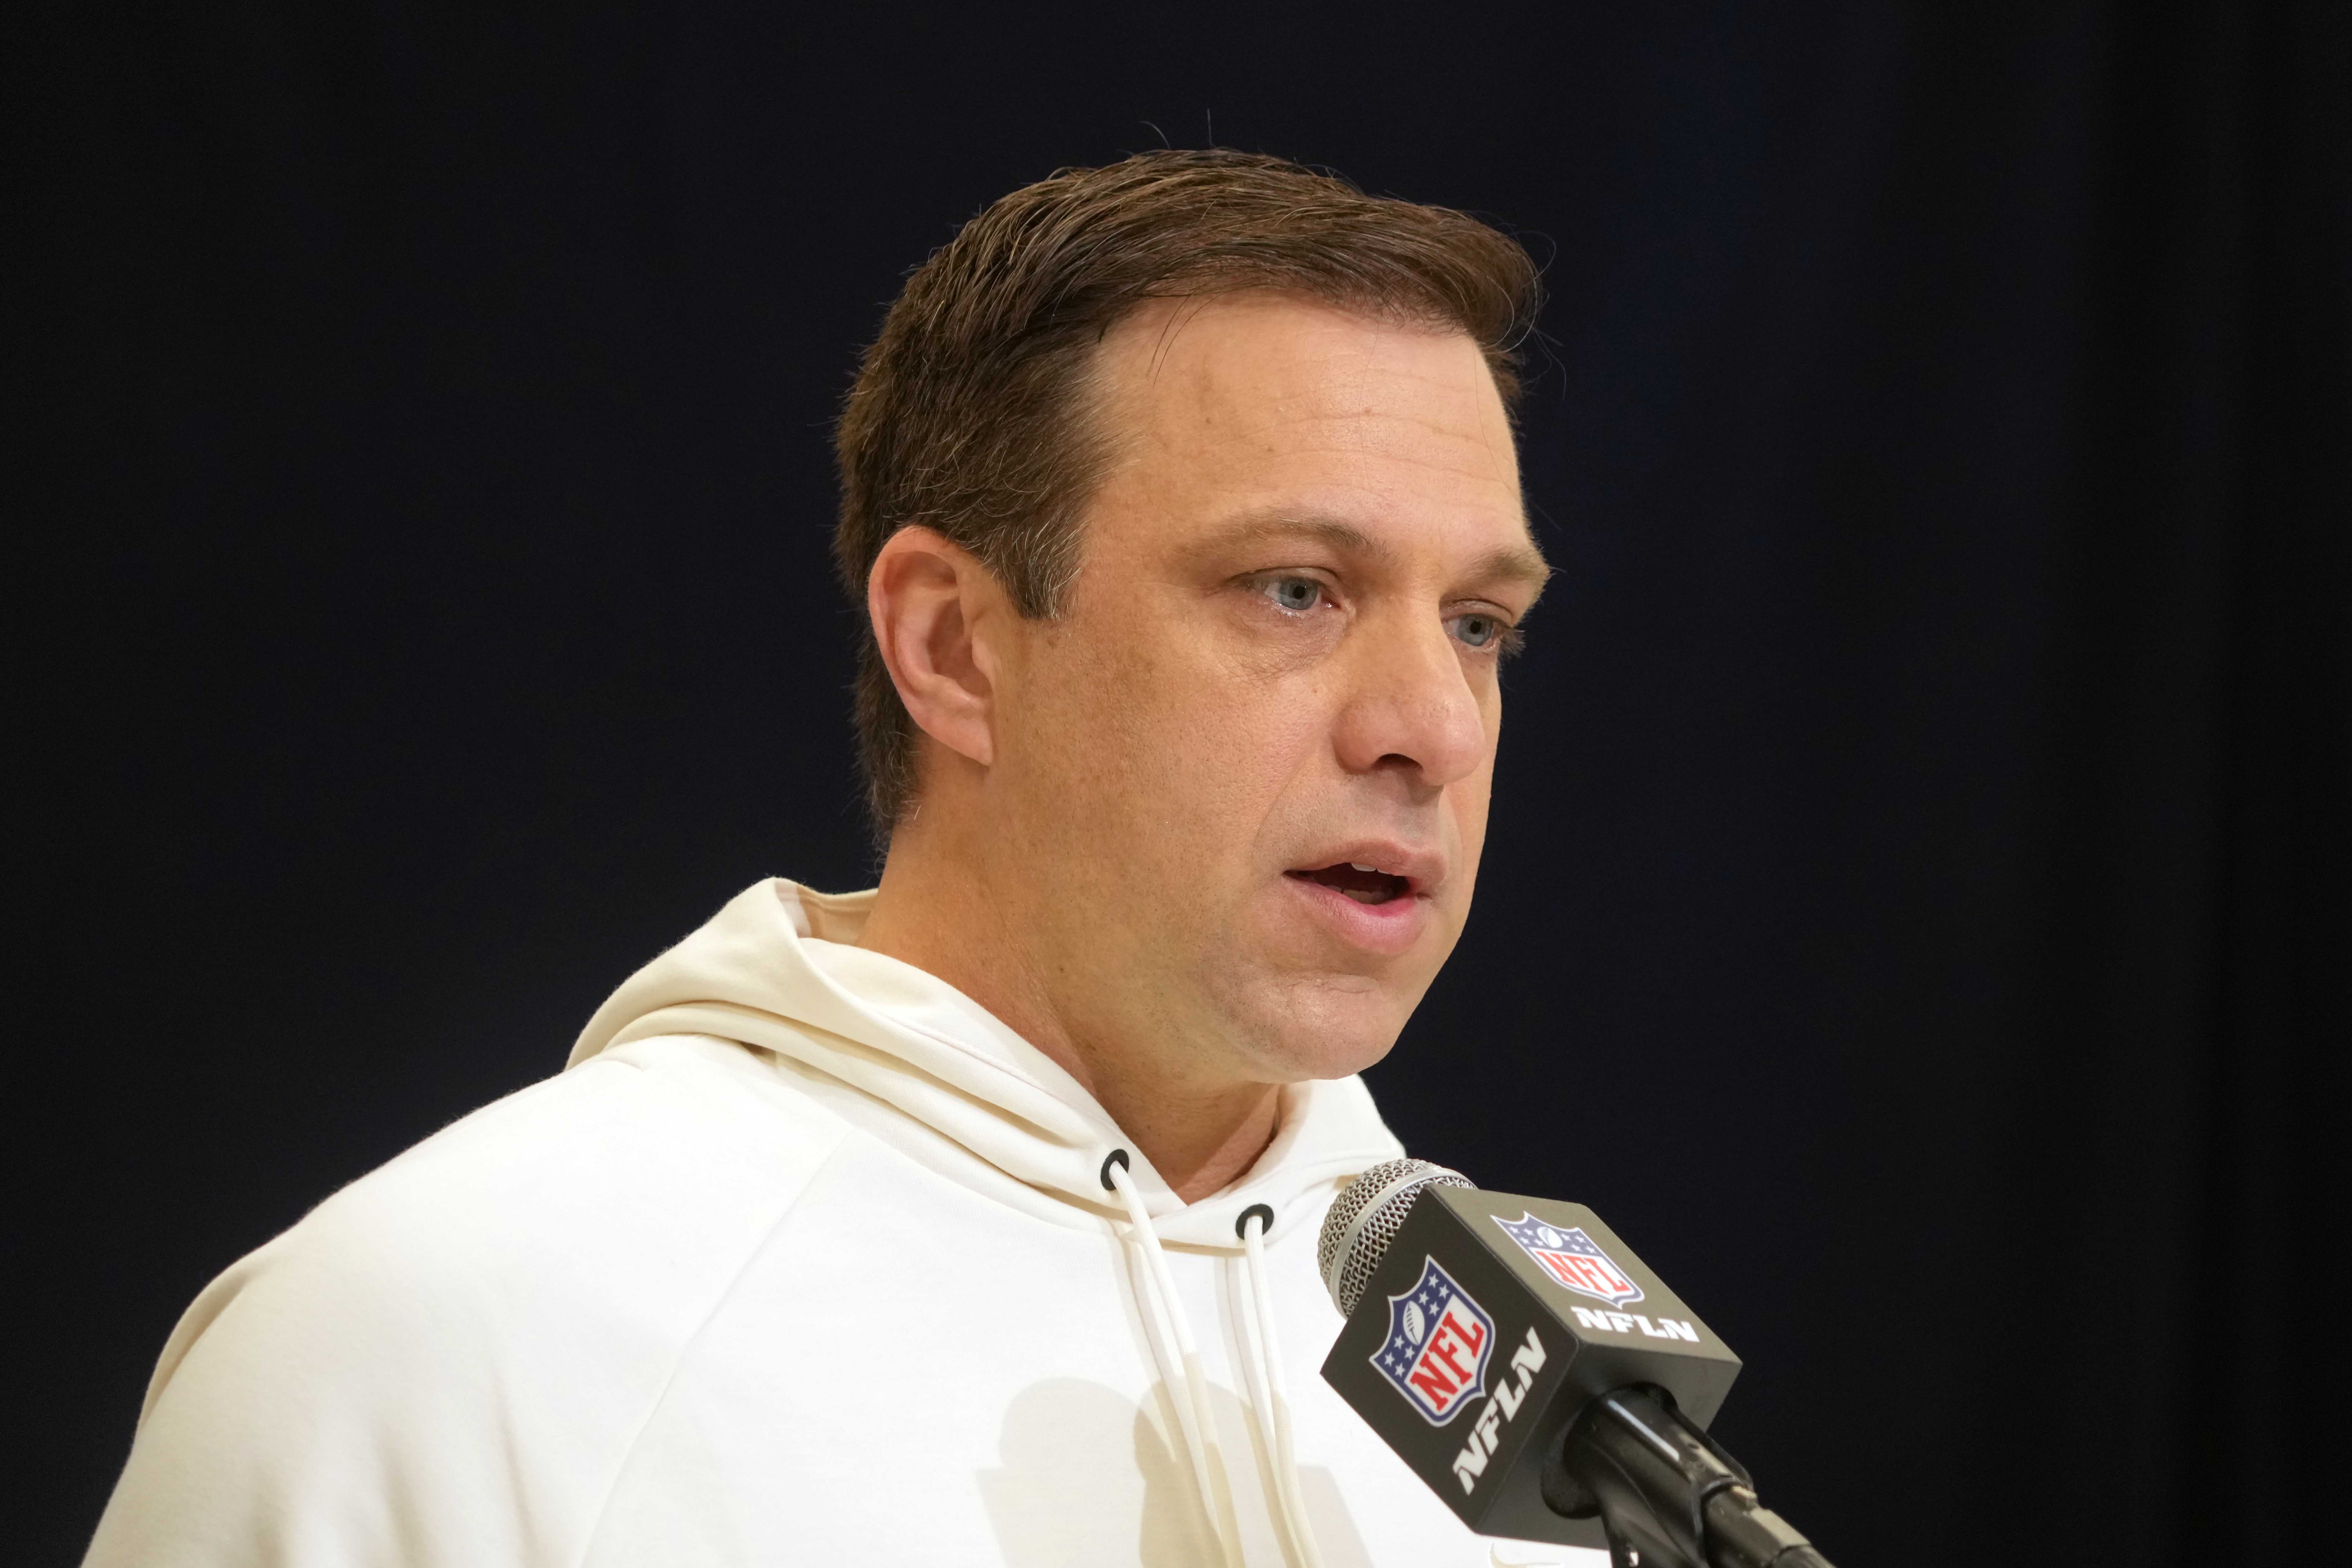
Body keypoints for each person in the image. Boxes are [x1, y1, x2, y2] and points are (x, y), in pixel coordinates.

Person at [85, 149, 1580, 1568]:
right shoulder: (442, 1341)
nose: (1435, 729)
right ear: (954, 646)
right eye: (1297, 590)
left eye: (1478, 624)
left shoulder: (1554, 1405)